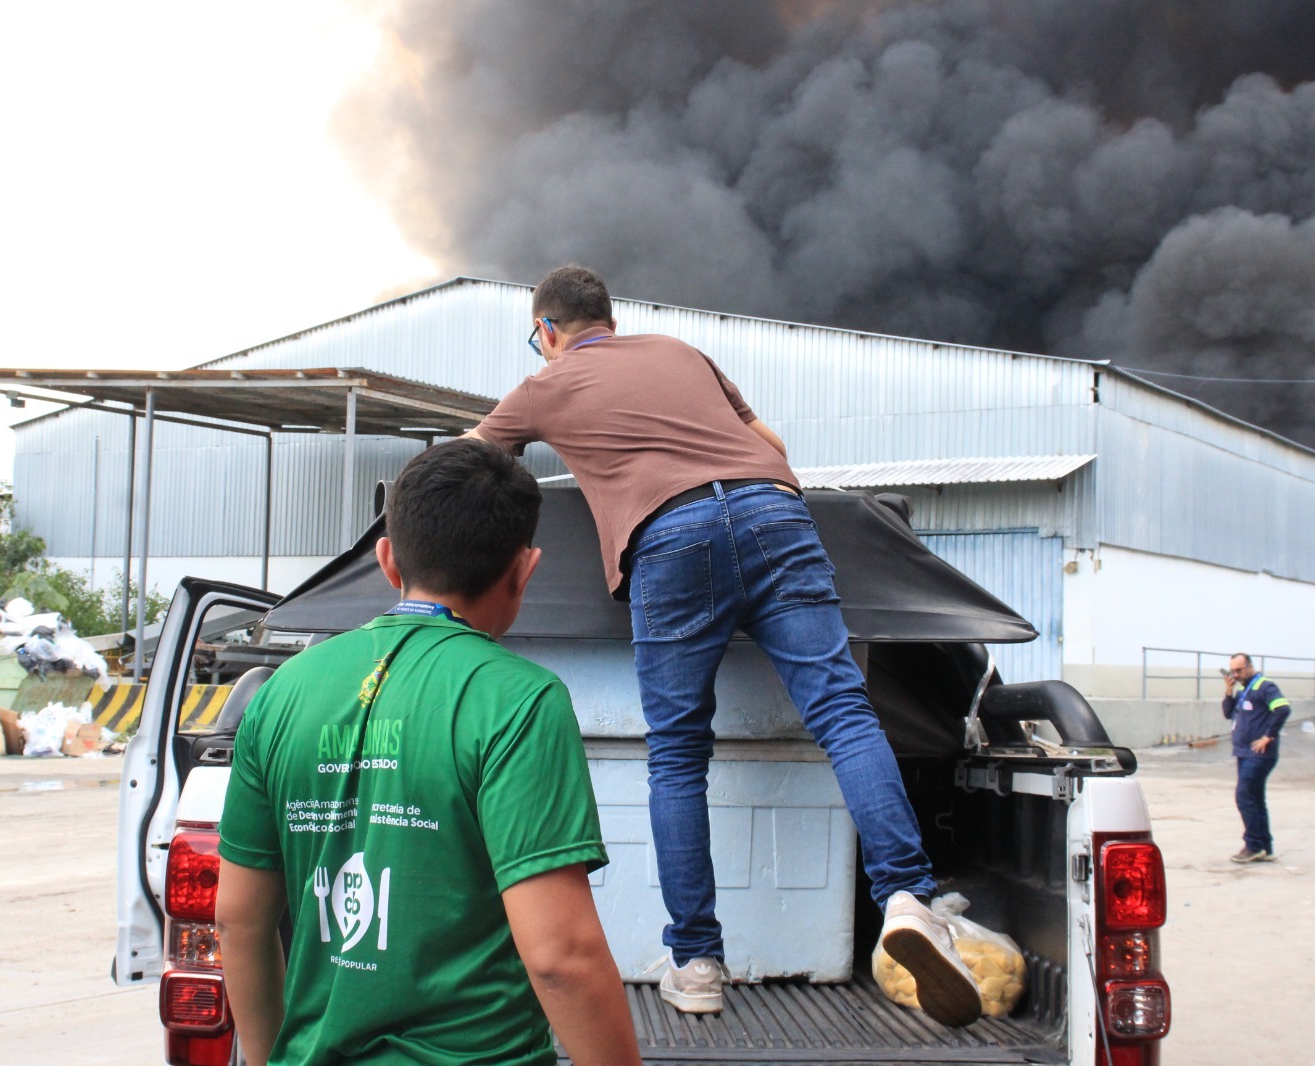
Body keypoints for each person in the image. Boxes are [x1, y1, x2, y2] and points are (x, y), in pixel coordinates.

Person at [465, 265, 983, 1027]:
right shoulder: (680, 351)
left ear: (546, 331)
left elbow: (466, 464)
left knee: (677, 752)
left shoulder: (544, 384)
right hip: (773, 508)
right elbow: (766, 441)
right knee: (842, 711)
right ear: (612, 316)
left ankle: (698, 963)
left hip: (669, 539)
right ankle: (908, 898)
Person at [215, 439, 643, 1066]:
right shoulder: (518, 701)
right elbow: (560, 957)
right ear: (525, 568)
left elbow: (238, 923)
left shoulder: (282, 692)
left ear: (388, 560)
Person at [1221, 652, 1291, 864]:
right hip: (1243, 752)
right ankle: (1264, 846)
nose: (1236, 674)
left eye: (1239, 670)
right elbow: (1227, 713)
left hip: (1259, 754)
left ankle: (1253, 844)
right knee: (1255, 799)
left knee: (1244, 796)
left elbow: (1282, 709)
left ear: (1250, 666)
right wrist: (1228, 691)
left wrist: (1268, 736)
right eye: (1233, 670)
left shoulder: (1264, 686)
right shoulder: (1243, 690)